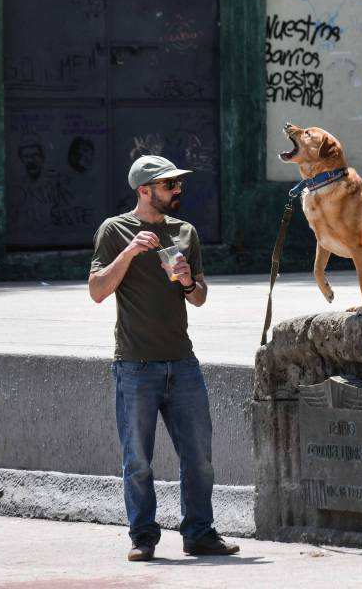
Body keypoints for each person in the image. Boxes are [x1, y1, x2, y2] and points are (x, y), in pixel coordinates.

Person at [88, 155, 239, 562]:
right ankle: (143, 538)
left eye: (177, 185)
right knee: (137, 460)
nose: (177, 191)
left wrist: (190, 282)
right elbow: (98, 290)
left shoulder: (184, 232)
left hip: (182, 363)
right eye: (169, 185)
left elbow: (201, 297)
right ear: (144, 190)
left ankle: (200, 534)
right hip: (135, 365)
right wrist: (130, 253)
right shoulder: (115, 230)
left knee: (200, 458)